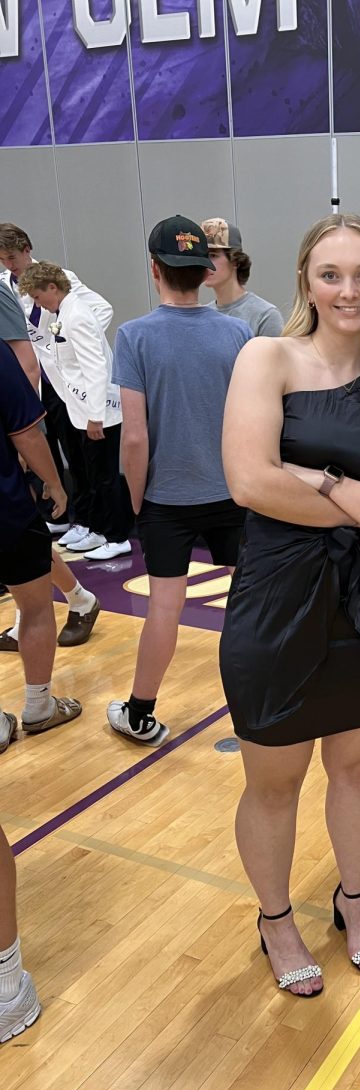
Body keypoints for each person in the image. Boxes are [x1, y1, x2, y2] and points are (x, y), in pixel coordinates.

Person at [220, 214, 360, 996]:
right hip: (276, 603)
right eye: (332, 273)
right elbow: (249, 481)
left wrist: (316, 479)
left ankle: (355, 902)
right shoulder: (267, 357)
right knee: (273, 782)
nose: (349, 290)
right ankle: (275, 919)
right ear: (306, 281)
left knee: (356, 768)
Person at [108, 216, 252, 747]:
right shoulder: (237, 333)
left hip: (166, 500)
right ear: (204, 269)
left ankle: (140, 713)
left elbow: (136, 439)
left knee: (164, 608)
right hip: (233, 495)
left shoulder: (133, 337)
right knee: (245, 607)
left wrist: (137, 501)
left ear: (154, 270)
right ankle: (256, 710)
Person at [0, 277, 99, 651]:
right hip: (16, 426)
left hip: (17, 427)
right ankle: (77, 598)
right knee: (25, 535)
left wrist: (30, 442)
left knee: (21, 530)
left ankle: (43, 611)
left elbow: (26, 364)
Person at [0, 222, 114, 538]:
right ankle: (58, 516)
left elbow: (101, 310)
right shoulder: (3, 285)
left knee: (75, 451)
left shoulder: (57, 277)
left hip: (60, 379)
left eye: (12, 257)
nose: (9, 265)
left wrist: (63, 342)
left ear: (27, 249)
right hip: (27, 379)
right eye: (3, 259)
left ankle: (88, 519)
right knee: (40, 448)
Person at [17, 262, 132, 560]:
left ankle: (118, 536)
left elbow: (96, 367)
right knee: (93, 474)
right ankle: (98, 529)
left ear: (53, 288)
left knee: (106, 475)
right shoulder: (62, 313)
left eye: (38, 297)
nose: (37, 304)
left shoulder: (78, 315)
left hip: (97, 410)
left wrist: (96, 415)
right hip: (81, 408)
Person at [0, 337, 83, 751]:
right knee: (34, 607)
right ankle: (38, 705)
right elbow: (26, 432)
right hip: (6, 511)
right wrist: (54, 483)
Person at [201, 218, 284, 336]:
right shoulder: (203, 315)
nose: (205, 263)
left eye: (213, 255)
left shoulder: (265, 315)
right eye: (203, 256)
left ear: (235, 261)